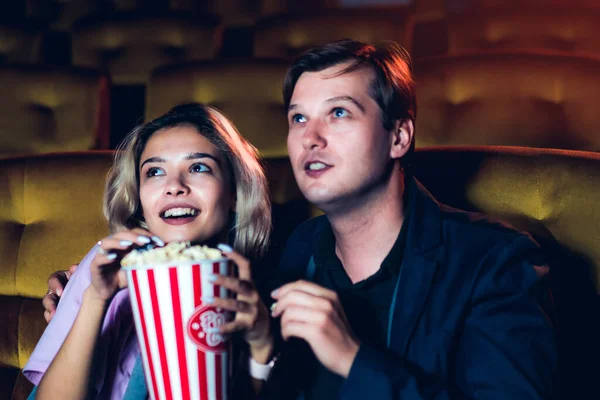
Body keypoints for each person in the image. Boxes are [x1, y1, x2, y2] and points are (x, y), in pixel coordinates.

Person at [42, 40, 557, 399]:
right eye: (297, 118)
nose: (310, 137)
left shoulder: (495, 260)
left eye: (338, 113)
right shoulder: (288, 255)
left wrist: (354, 358)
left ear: (400, 136)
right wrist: (81, 295)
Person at [25, 103, 275, 399]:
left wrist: (262, 347)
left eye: (198, 167)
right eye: (155, 171)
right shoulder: (107, 265)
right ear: (139, 194)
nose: (174, 186)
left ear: (234, 192)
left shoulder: (258, 287)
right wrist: (96, 297)